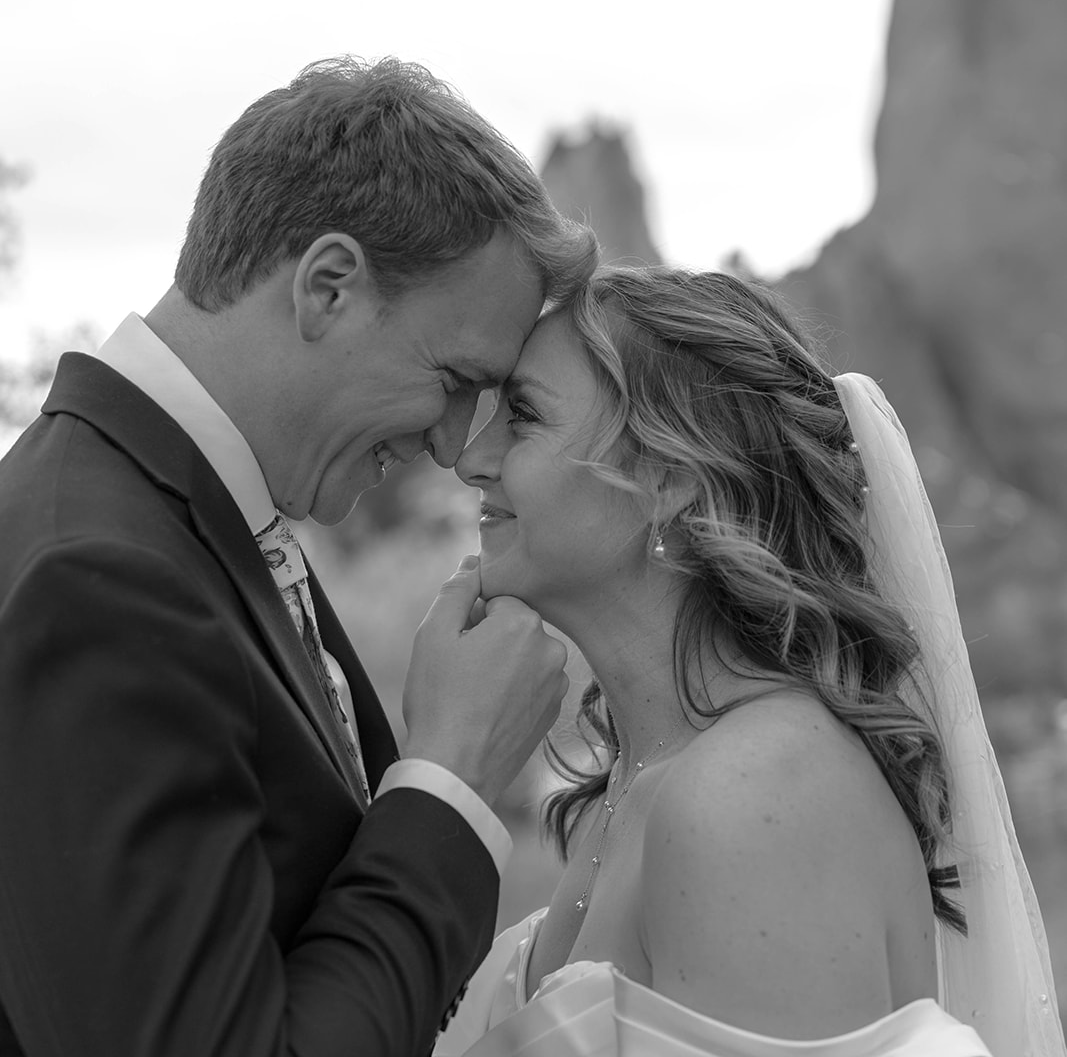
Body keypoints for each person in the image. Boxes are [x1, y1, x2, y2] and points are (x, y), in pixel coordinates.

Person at [0, 56, 599, 1057]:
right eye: (454, 380)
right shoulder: (97, 582)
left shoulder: (187, 517)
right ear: (326, 286)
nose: (456, 445)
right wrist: (448, 779)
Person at [440, 266, 1065, 1057]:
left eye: (522, 417)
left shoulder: (756, 791)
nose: (470, 459)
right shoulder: (641, 784)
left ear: (667, 478)